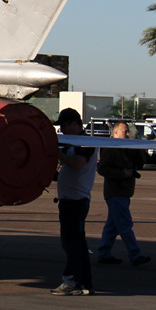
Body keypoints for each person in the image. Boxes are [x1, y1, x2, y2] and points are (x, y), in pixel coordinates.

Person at [52, 108, 96, 296]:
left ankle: (71, 281)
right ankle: (84, 283)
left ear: (73, 124)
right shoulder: (73, 143)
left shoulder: (84, 142)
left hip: (76, 200)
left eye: (63, 126)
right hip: (70, 199)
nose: (62, 130)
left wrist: (57, 153)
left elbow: (78, 164)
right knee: (77, 243)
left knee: (71, 243)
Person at [96, 120, 151, 266]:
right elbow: (102, 169)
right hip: (115, 192)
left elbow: (140, 164)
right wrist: (122, 174)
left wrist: (137, 146)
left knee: (112, 226)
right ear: (115, 133)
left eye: (128, 132)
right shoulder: (110, 148)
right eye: (124, 132)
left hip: (124, 191)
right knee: (125, 224)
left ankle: (104, 253)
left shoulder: (128, 147)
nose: (127, 134)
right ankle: (135, 254)